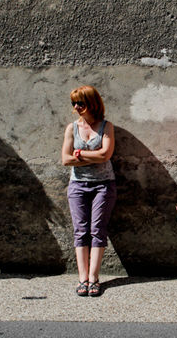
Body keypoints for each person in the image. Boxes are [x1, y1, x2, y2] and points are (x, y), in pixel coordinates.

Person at [61, 85, 117, 297]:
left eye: (81, 103)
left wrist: (79, 154)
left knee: (97, 230)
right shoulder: (71, 128)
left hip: (103, 184)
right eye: (74, 103)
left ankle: (94, 278)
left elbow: (106, 155)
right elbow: (65, 159)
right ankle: (82, 278)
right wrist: (90, 155)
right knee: (80, 230)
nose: (76, 107)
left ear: (92, 103)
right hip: (77, 186)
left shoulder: (106, 126)